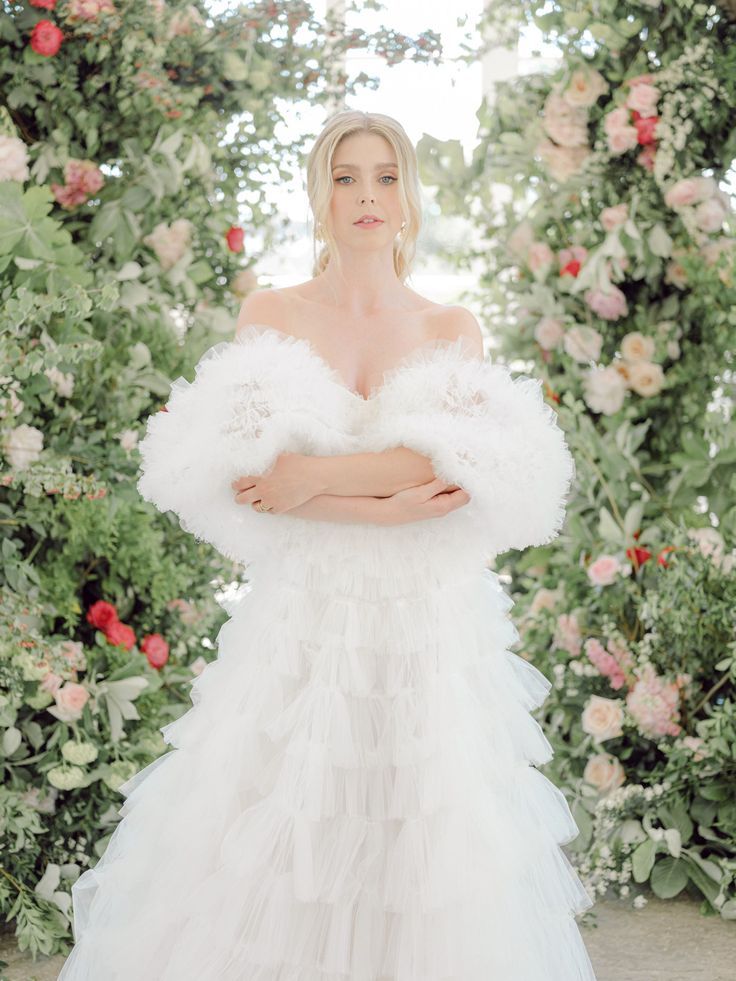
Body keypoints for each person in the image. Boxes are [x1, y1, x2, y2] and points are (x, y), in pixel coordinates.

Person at [58, 109, 597, 980]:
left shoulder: (449, 326)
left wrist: (315, 481)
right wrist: (377, 506)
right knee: (280, 824)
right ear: (319, 195)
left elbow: (441, 464)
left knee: (416, 835)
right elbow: (255, 476)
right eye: (346, 176)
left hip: (424, 625)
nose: (367, 195)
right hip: (303, 619)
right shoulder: (269, 314)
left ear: (409, 197)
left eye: (385, 175)